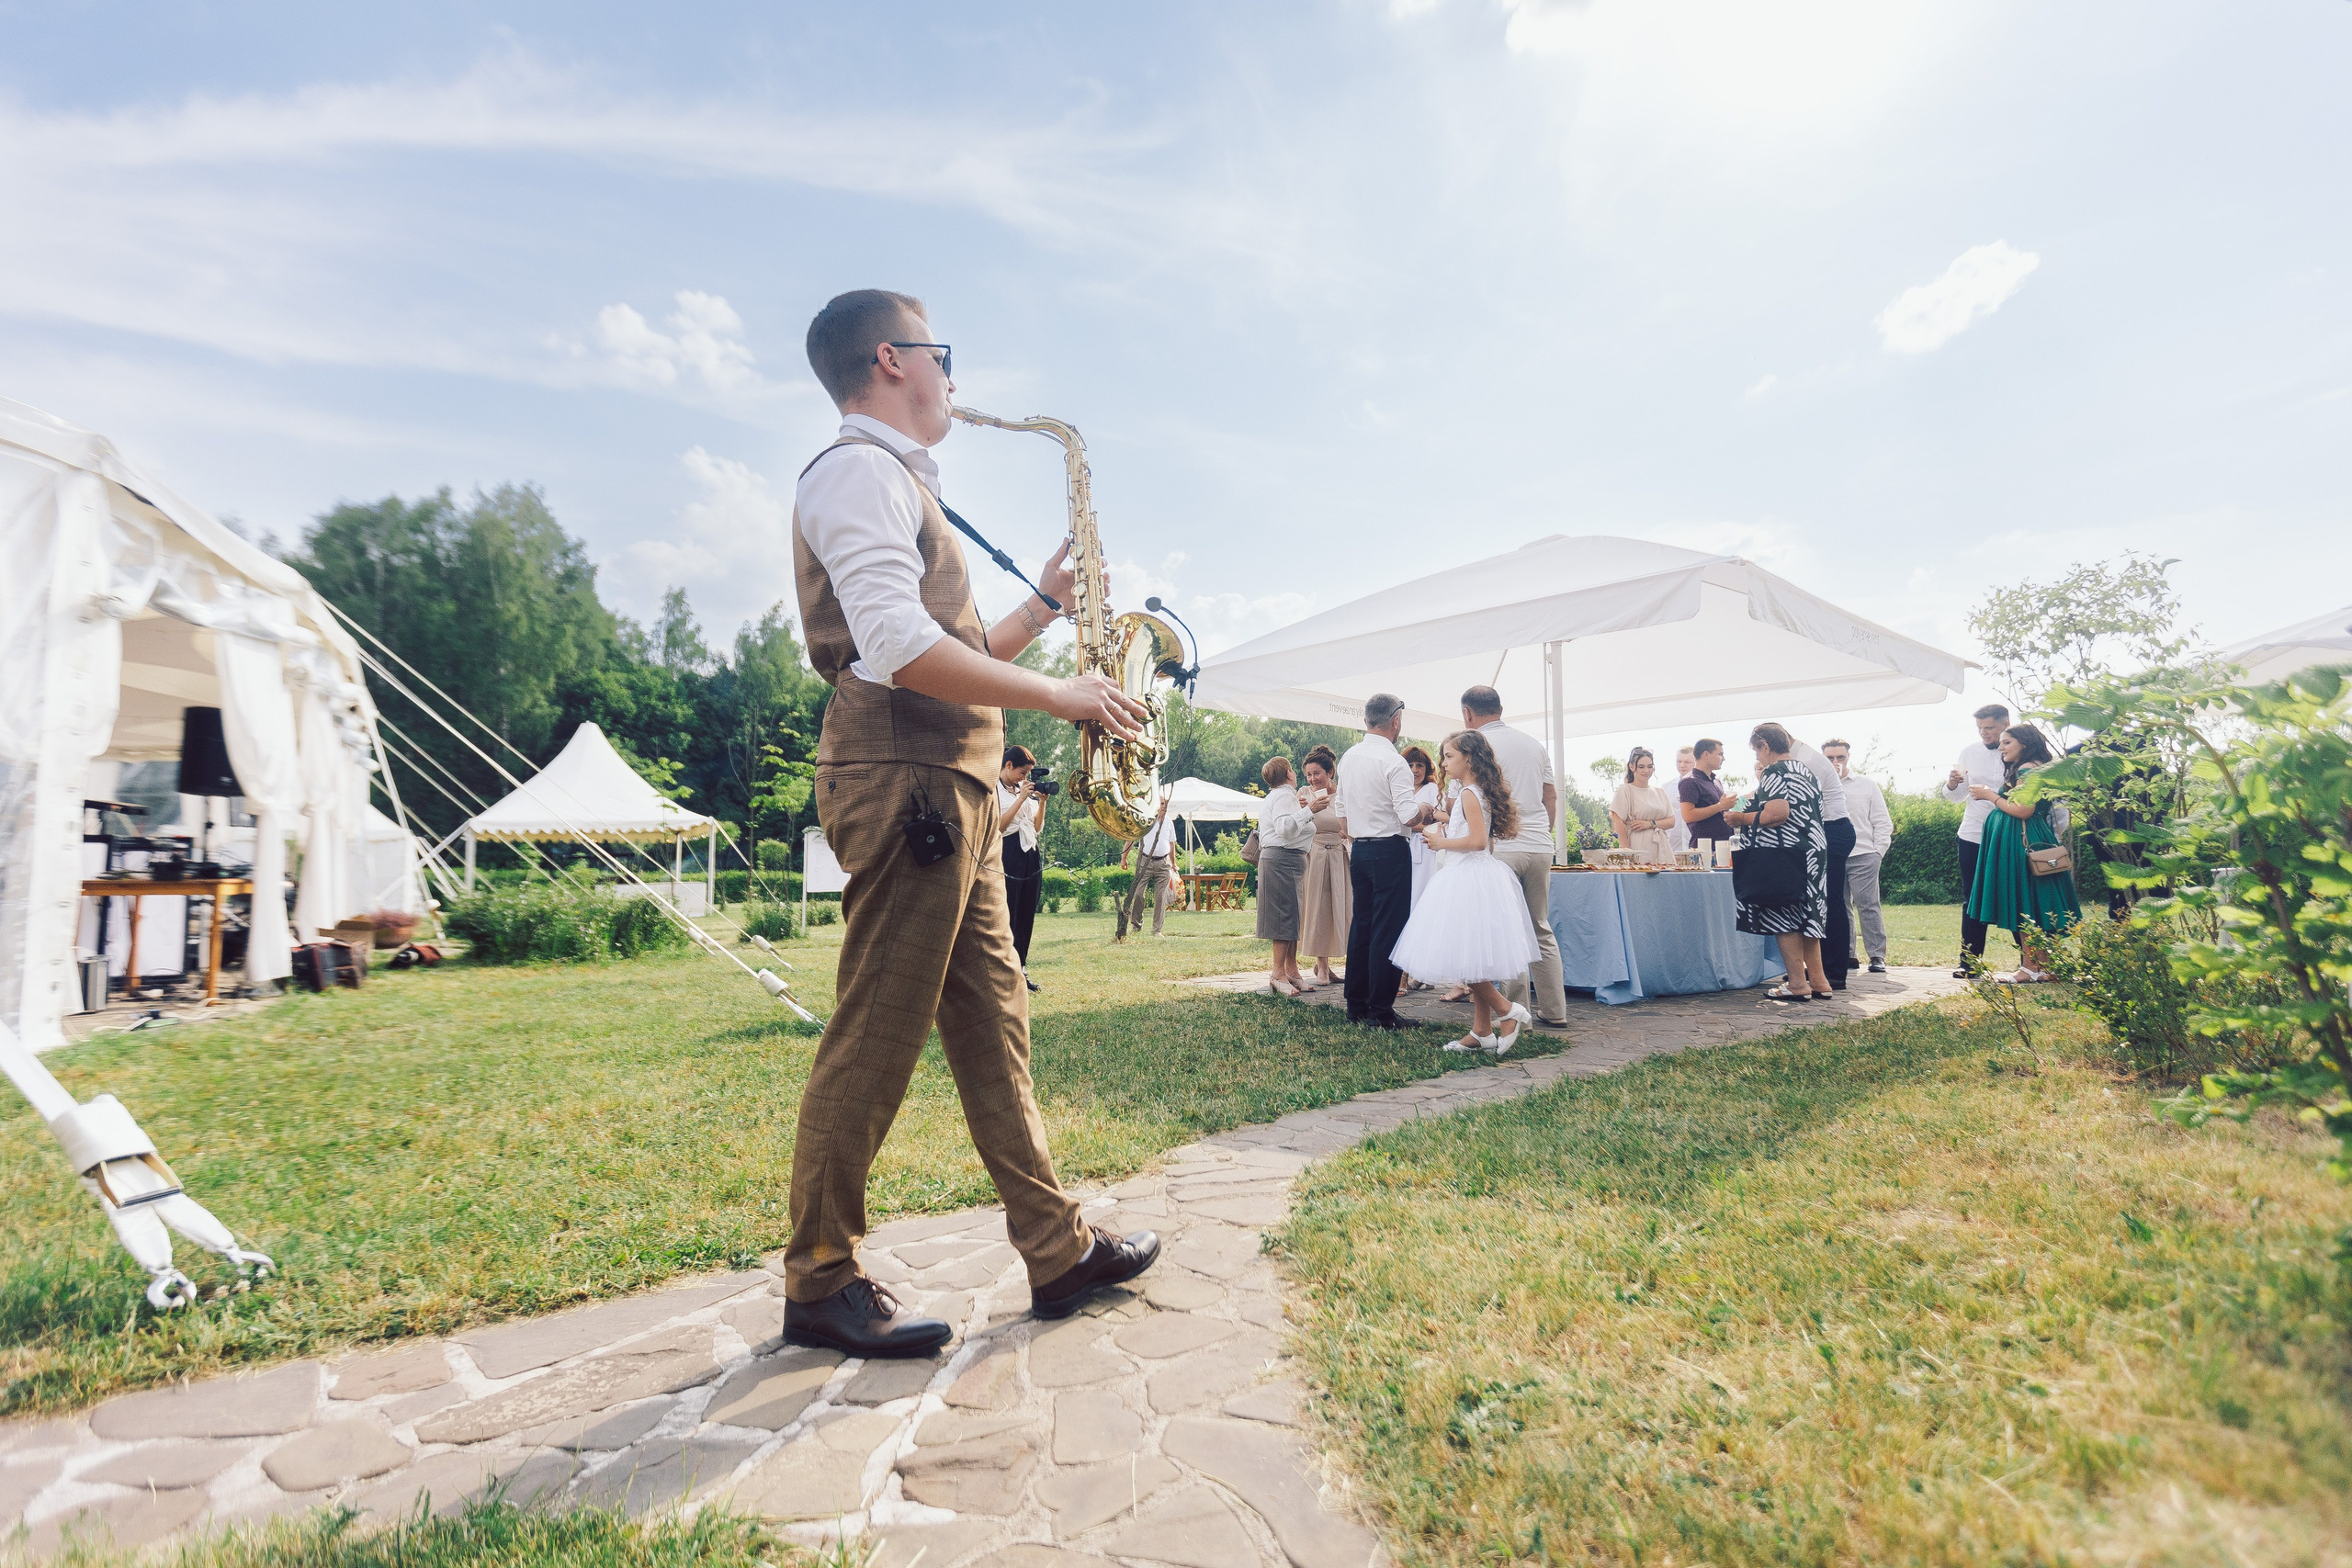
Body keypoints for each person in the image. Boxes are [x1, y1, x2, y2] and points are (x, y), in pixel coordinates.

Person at [783, 288, 1157, 1355]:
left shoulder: (890, 477)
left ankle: (1057, 1245)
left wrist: (1037, 612)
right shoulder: (857, 470)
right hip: (909, 783)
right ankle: (816, 1276)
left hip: (953, 784)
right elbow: (897, 649)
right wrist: (1066, 697)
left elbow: (945, 651)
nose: (953, 377)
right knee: (876, 1032)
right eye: (941, 355)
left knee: (994, 1029)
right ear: (895, 359)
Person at [1392, 730, 1540, 1055]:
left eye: (1449, 756)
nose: (1443, 763)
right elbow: (1480, 839)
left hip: (1468, 876)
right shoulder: (1473, 792)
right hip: (1475, 874)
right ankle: (1482, 1031)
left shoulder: (1470, 794)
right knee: (1474, 957)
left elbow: (1476, 841)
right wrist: (1447, 826)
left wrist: (1440, 841)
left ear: (1469, 758)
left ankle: (1507, 1011)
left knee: (1464, 956)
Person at [1458, 685, 1568, 1027]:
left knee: (1507, 929)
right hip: (1538, 845)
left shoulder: (1474, 746)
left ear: (1468, 714)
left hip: (1501, 847)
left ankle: (1516, 1014)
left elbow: (1469, 802)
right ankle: (1555, 1011)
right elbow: (1551, 796)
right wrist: (1543, 834)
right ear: (1500, 708)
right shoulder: (1533, 744)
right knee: (1540, 927)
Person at [1721, 722, 1831, 1003]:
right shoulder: (1806, 770)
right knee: (1808, 915)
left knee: (1784, 916)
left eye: (1757, 752)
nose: (1758, 758)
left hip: (1784, 854)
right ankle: (1818, 981)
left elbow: (1777, 814)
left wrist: (1739, 819)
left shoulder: (1774, 771)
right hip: (1813, 852)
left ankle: (1797, 983)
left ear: (1766, 746)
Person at [1963, 724, 2081, 981]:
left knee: (2023, 901)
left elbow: (2023, 810)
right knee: (2037, 902)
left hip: (2019, 841)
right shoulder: (2039, 766)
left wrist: (1989, 796)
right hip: (2027, 837)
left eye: (2007, 743)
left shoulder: (2027, 769)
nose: (2001, 748)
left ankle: (2029, 968)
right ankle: (2047, 967)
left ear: (2024, 745)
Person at [1337, 694, 1422, 1028]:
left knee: (1362, 926)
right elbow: (1409, 814)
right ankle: (1381, 1011)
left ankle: (1355, 1005)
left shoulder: (1348, 757)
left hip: (1360, 851)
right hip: (1390, 850)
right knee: (1388, 929)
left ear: (1366, 721)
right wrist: (1427, 812)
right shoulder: (1393, 762)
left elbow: (1341, 813)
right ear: (1397, 720)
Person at [1941, 704, 2010, 976]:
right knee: (1972, 898)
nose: (1984, 734)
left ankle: (2028, 964)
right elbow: (1957, 798)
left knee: (2013, 895)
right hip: (1972, 833)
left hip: (2008, 834)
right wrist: (1952, 784)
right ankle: (1969, 963)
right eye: (1980, 729)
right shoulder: (1969, 752)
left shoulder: (2021, 754)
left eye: (1989, 728)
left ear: (2005, 724)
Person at [1784, 734, 1854, 992]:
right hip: (1825, 830)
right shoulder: (1802, 756)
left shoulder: (1809, 761)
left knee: (1831, 901)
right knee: (1819, 901)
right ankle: (1818, 970)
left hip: (1832, 830)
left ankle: (1835, 972)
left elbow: (1800, 804)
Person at [1821, 739, 1890, 974]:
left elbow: (1882, 820)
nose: (1835, 762)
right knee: (1838, 906)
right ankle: (1847, 954)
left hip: (1864, 854)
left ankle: (1877, 956)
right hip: (1832, 854)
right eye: (1830, 758)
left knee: (1868, 906)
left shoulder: (1866, 784)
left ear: (1848, 757)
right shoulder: (1818, 786)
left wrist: (1878, 852)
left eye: (1840, 757)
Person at [1253, 756, 1315, 997]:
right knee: (1283, 918)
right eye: (1292, 769)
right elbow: (1285, 829)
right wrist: (1309, 810)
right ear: (1289, 774)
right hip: (1282, 861)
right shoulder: (1284, 795)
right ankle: (1277, 973)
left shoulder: (1281, 797)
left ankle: (1291, 970)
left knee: (1292, 917)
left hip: (1287, 862)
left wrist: (1300, 810)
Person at [1296, 746, 1351, 989]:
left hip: (1340, 854)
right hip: (1315, 855)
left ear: (1330, 772)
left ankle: (1329, 965)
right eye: (1308, 774)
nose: (1312, 778)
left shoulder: (1343, 794)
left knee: (1339, 908)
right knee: (1318, 908)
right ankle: (1322, 964)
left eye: (1317, 773)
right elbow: (1296, 825)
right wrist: (1304, 809)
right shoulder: (1303, 794)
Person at [996, 746, 1045, 992]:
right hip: (1009, 851)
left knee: (1027, 910)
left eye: (1028, 774)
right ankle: (1006, 972)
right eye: (1022, 773)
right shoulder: (994, 790)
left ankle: (1021, 968)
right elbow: (999, 827)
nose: (1024, 778)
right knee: (1010, 911)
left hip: (1031, 852)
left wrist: (1041, 803)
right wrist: (1022, 798)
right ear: (1008, 766)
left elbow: (1035, 827)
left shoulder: (1022, 790)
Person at [1115, 793, 1178, 941]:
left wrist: (1173, 863)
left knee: (1160, 896)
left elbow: (1171, 844)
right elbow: (1131, 839)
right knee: (1138, 894)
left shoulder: (1169, 822)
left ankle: (1157, 930)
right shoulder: (1146, 821)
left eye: (1165, 804)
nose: (1164, 807)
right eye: (1161, 804)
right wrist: (1123, 858)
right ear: (1156, 805)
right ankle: (1136, 925)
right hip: (1145, 861)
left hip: (1163, 863)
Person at [1609, 748, 1679, 864]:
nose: (1646, 771)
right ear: (1632, 767)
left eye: (1650, 767)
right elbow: (1617, 821)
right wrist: (1627, 852)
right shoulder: (1625, 790)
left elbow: (1671, 821)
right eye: (1641, 767)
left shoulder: (1660, 792)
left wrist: (1650, 824)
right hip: (1637, 847)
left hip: (1661, 846)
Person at [1680, 738, 1737, 861]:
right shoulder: (1689, 781)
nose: (1723, 758)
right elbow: (1688, 815)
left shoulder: (1716, 781)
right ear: (1706, 754)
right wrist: (1720, 806)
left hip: (1724, 848)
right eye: (1720, 754)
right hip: (1705, 852)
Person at [1668, 746, 1698, 855]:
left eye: (1687, 762)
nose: (1682, 765)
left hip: (1696, 847)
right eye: (1679, 761)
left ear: (1695, 762)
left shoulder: (1703, 787)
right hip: (1672, 848)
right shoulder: (1666, 788)